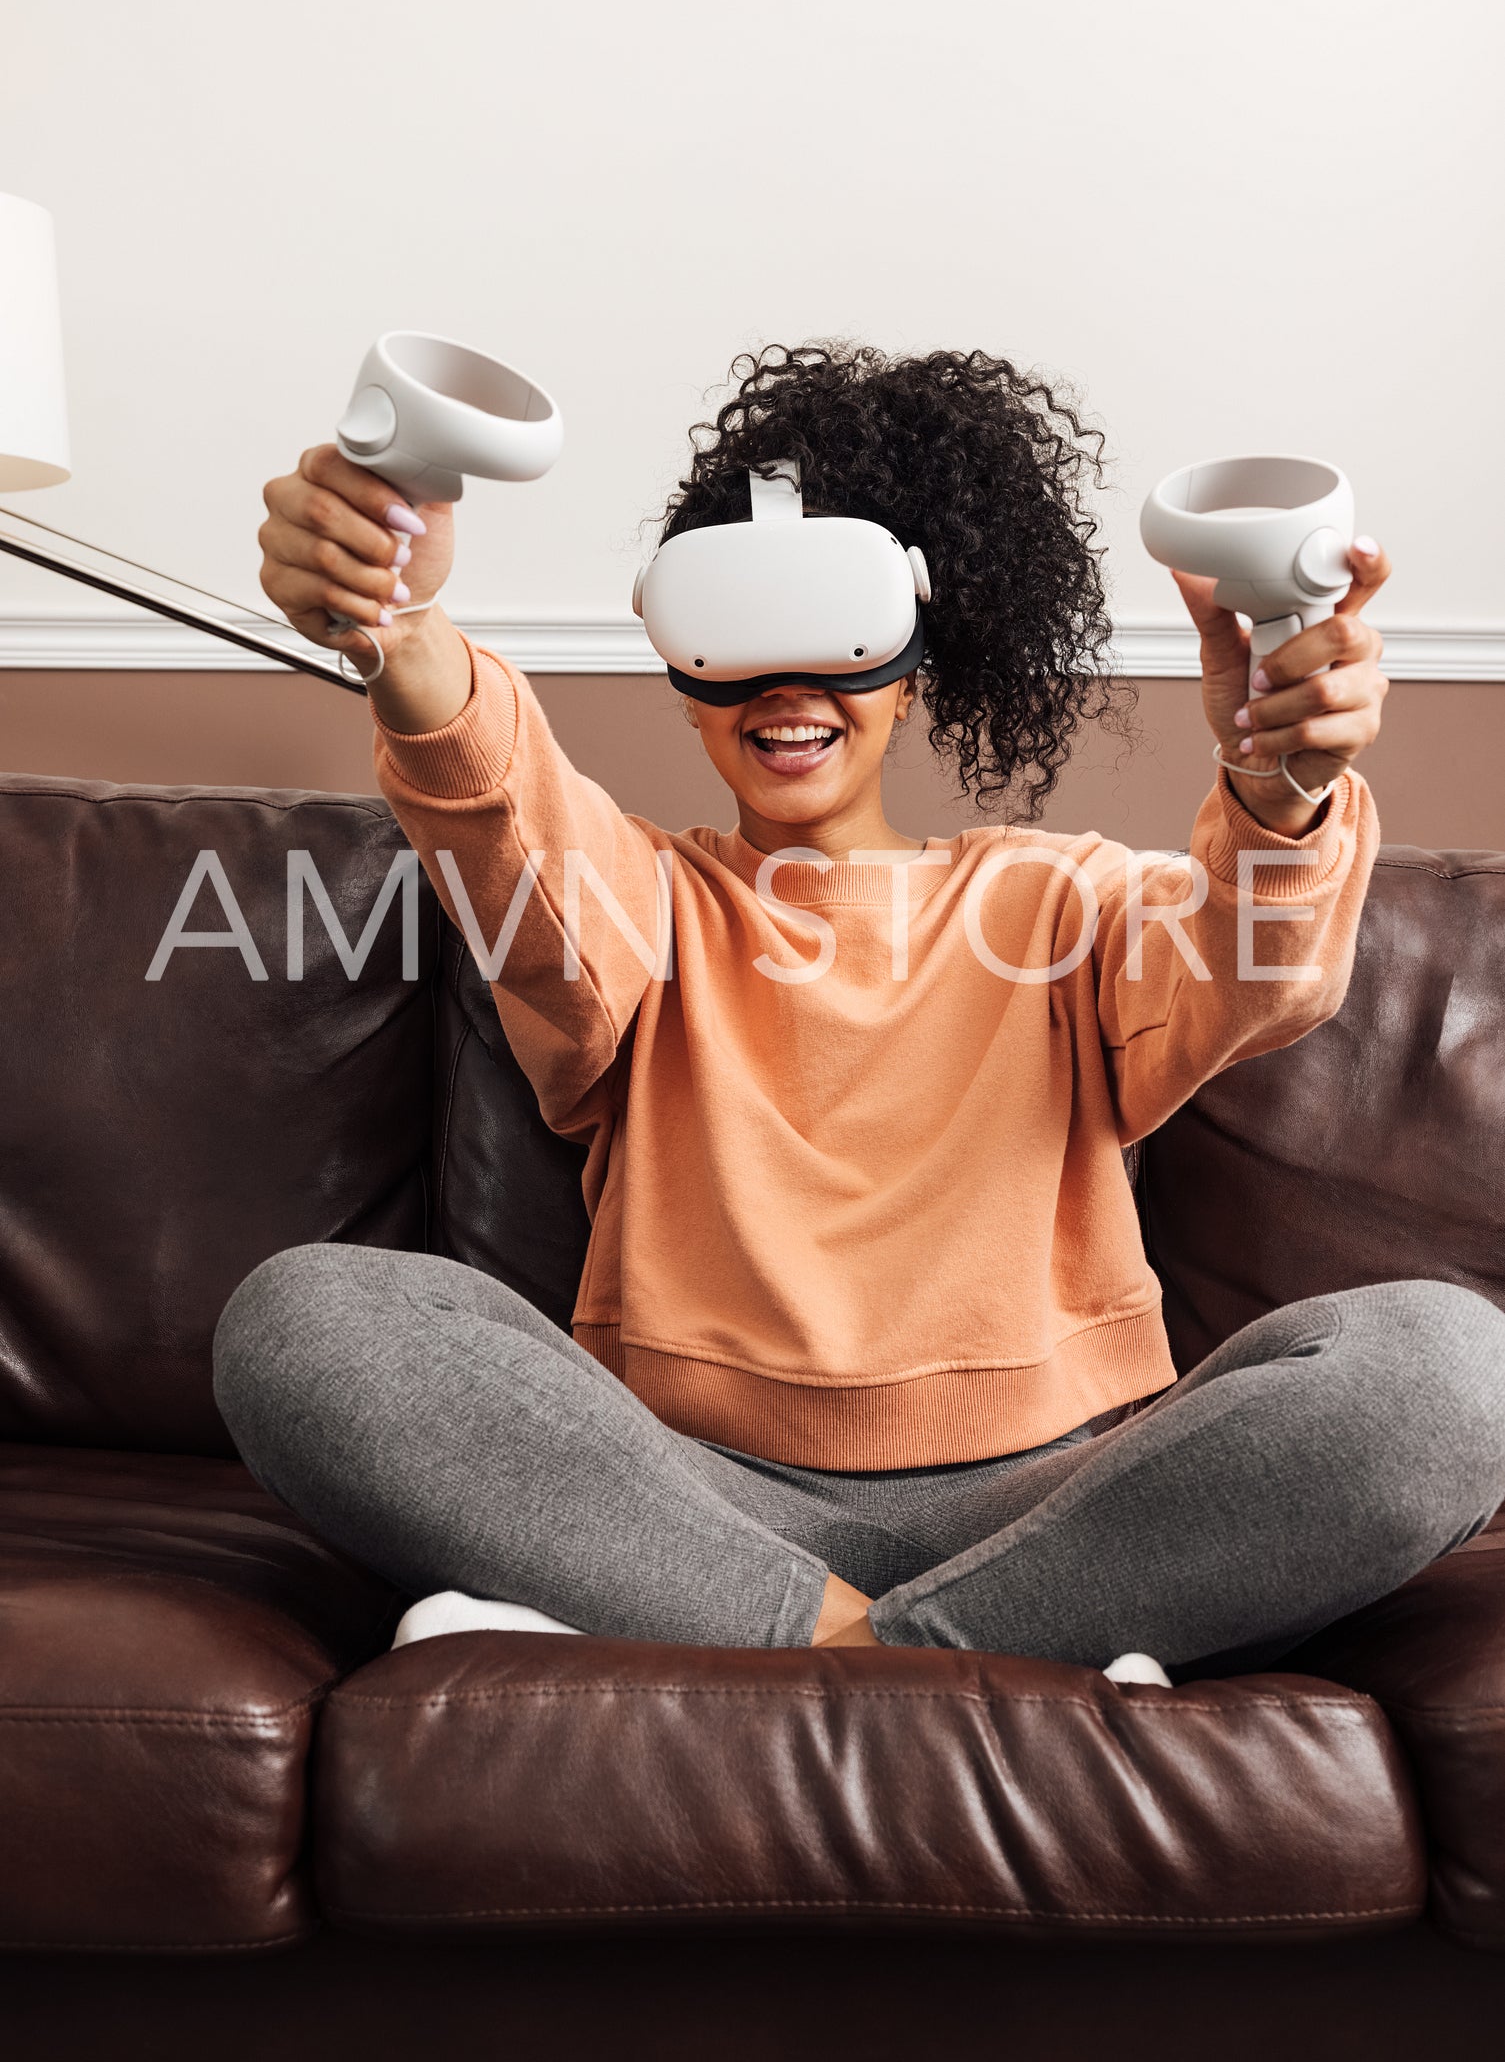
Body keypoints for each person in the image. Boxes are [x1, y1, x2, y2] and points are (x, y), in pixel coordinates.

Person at [215, 342, 1505, 1676]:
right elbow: (496, 807)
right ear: (676, 653)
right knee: (303, 1318)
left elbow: (1261, 967)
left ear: (920, 647)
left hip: (1069, 1504)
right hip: (681, 1494)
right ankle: (974, 1663)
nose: (786, 689)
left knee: (1452, 1365)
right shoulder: (637, 903)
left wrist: (1281, 783)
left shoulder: (1059, 898)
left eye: (837, 634)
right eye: (736, 636)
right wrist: (399, 633)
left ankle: (778, 1643)